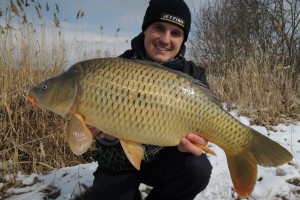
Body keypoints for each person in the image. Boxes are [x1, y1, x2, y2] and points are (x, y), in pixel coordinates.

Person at [88, 0, 212, 199]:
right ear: (145, 29)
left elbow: (207, 126)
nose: (165, 39)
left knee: (197, 168)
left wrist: (200, 138)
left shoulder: (193, 76)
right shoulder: (116, 69)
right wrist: (108, 138)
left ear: (183, 40)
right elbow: (100, 141)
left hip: (164, 162)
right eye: (159, 28)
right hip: (119, 164)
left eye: (175, 33)